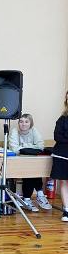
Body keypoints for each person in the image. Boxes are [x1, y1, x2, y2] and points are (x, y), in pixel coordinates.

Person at [8, 113, 52, 211]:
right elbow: (14, 149)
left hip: (33, 161)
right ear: (18, 123)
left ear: (31, 123)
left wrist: (23, 147)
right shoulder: (14, 131)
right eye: (21, 121)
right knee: (29, 171)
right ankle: (38, 195)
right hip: (17, 162)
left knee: (33, 170)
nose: (23, 124)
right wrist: (31, 147)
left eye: (26, 122)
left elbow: (40, 147)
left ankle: (28, 198)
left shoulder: (34, 131)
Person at [50, 90, 68, 222]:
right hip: (62, 155)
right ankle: (66, 210)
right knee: (64, 181)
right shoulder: (62, 119)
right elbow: (57, 136)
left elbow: (63, 136)